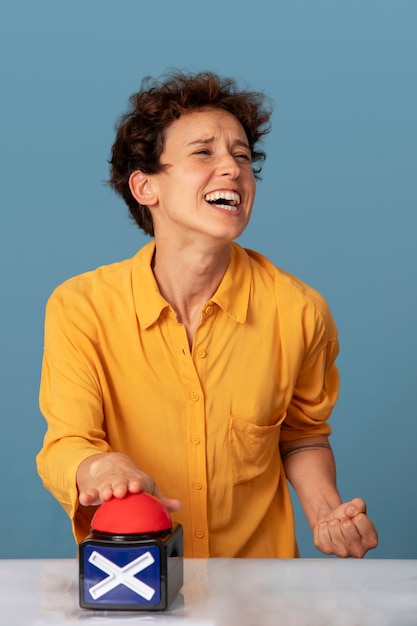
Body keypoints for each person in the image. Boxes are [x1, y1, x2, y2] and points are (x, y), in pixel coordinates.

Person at [37, 71, 378, 559]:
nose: (233, 169)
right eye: (204, 153)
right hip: (133, 579)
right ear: (145, 187)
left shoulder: (300, 311)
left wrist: (326, 512)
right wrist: (99, 468)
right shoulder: (80, 306)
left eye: (242, 156)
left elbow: (301, 436)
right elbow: (68, 441)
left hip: (261, 590)